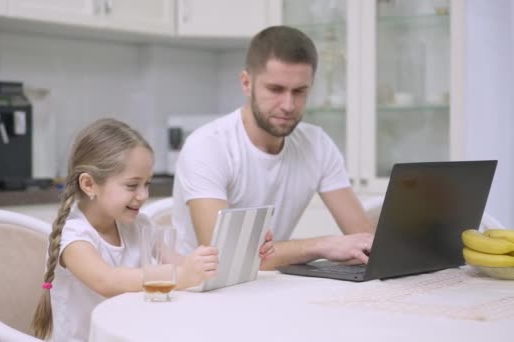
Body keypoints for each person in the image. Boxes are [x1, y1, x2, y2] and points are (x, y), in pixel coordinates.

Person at [172, 25, 374, 270]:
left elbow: (364, 238)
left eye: (299, 91)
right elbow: (224, 256)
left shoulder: (317, 144)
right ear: (246, 83)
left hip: (268, 284)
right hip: (201, 294)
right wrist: (321, 245)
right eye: (276, 89)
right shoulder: (207, 146)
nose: (288, 105)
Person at [31, 118, 219, 341]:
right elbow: (107, 281)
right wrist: (180, 276)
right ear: (89, 185)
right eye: (132, 185)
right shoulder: (73, 236)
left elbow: (178, 262)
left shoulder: (138, 225)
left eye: (147, 184)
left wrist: (205, 263)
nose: (143, 195)